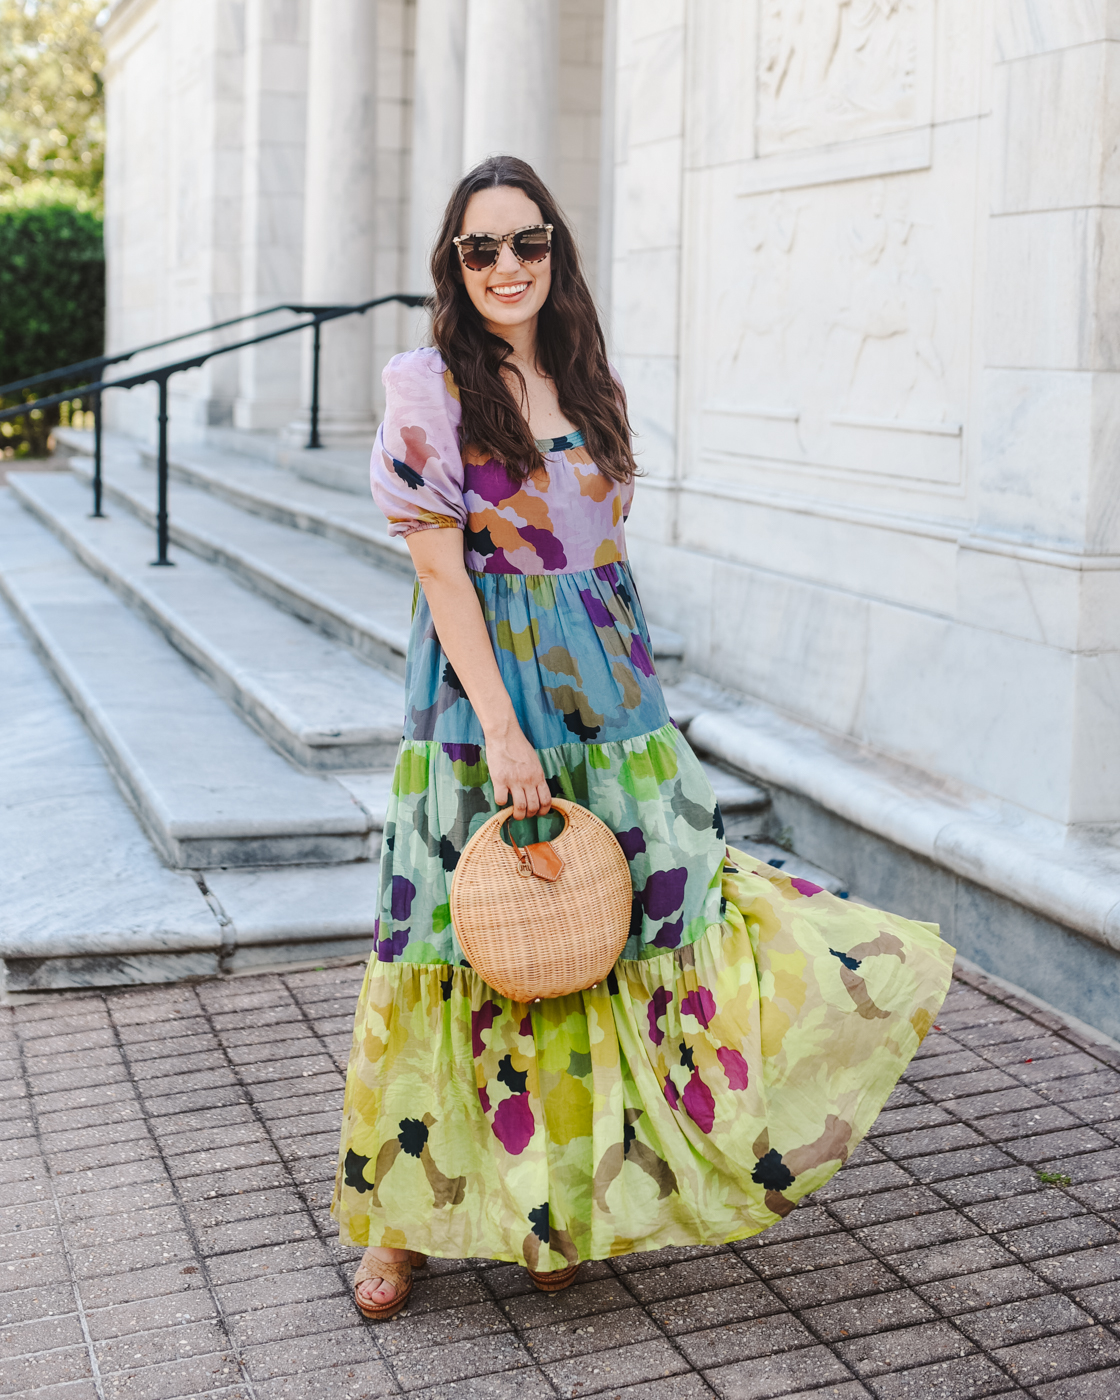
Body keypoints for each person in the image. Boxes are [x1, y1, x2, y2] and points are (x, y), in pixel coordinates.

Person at [332, 155, 954, 1320]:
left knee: (619, 935)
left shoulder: (585, 375)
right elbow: (440, 574)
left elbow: (606, 565)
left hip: (612, 705)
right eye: (482, 249)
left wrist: (640, 718)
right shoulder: (428, 386)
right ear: (451, 267)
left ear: (555, 253)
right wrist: (507, 734)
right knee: (458, 948)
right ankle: (402, 1222)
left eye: (529, 243)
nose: (507, 265)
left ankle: (548, 1201)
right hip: (482, 710)